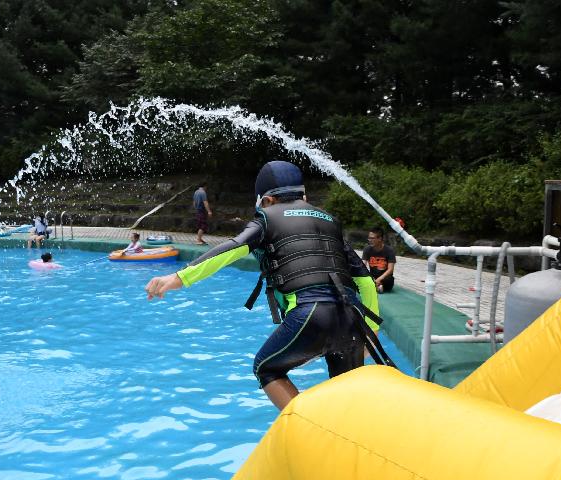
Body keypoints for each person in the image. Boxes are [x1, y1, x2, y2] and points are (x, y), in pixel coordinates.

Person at [146, 161, 393, 411]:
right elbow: (365, 282)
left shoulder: (266, 219)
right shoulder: (330, 222)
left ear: (267, 201)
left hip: (311, 314)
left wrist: (178, 278)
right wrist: (369, 333)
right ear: (303, 195)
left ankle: (309, 429)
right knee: (345, 395)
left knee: (267, 367)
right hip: (352, 321)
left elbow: (230, 249)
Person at [362, 227, 396, 293]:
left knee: (390, 280)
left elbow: (390, 270)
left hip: (384, 278)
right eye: (369, 238)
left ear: (380, 239)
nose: (370, 240)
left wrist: (379, 279)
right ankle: (377, 287)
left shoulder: (389, 251)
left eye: (372, 238)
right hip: (372, 276)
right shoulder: (367, 249)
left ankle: (375, 286)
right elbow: (362, 266)